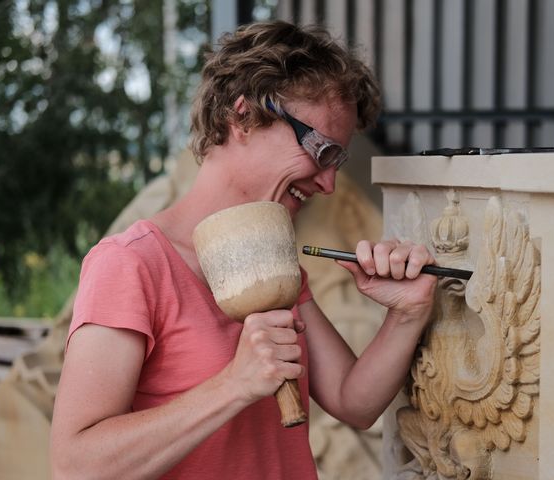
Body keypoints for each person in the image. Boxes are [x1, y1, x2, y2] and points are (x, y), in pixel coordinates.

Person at [50, 20, 438, 479]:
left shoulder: (276, 262)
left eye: (338, 159)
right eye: (321, 150)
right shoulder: (131, 264)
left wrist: (406, 313)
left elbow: (354, 403)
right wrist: (233, 385)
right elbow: (77, 467)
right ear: (243, 116)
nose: (329, 184)